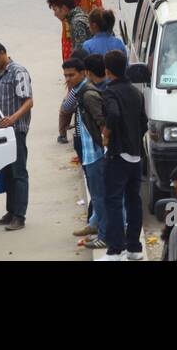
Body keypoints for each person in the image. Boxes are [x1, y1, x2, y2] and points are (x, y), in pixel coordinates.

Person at [98, 50, 147, 260]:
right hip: (136, 157)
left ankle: (115, 250)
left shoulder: (110, 92)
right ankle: (134, 248)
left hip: (118, 156)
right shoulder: (136, 93)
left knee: (113, 201)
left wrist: (106, 135)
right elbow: (144, 123)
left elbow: (114, 114)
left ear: (107, 71)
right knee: (134, 201)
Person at [0, 40, 34, 231]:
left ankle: (19, 216)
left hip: (15, 132)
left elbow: (28, 102)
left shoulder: (18, 72)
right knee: (7, 174)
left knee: (18, 173)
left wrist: (12, 119)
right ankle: (11, 212)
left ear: (3, 53)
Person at [63, 55, 111, 249]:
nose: (67, 79)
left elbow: (101, 122)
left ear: (84, 73)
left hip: (96, 154)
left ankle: (105, 235)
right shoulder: (81, 91)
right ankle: (99, 229)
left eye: (71, 75)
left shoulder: (88, 94)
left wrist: (104, 145)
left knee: (99, 197)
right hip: (89, 153)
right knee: (97, 196)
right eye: (65, 76)